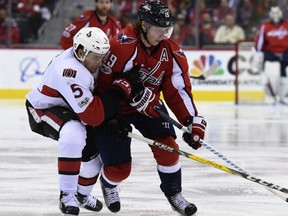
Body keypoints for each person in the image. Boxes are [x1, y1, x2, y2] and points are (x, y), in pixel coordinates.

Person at [94, 1, 207, 215]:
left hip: (148, 105)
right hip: (115, 110)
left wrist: (191, 121)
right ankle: (108, 184)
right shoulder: (121, 46)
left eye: (168, 28)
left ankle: (174, 193)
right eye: (160, 28)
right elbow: (102, 87)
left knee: (169, 150)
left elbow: (177, 91)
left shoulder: (172, 53)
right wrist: (109, 118)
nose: (165, 34)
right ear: (144, 25)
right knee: (120, 170)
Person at [25, 27, 141, 215]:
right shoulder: (70, 71)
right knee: (74, 133)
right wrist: (122, 88)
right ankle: (67, 196)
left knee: (94, 159)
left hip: (72, 109)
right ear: (80, 52)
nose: (101, 62)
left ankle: (81, 195)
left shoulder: (86, 59)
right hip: (42, 109)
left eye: (103, 56)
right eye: (96, 57)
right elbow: (92, 115)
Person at [254, 6, 288, 104]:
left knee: (284, 74)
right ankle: (270, 95)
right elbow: (260, 43)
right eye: (274, 13)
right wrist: (258, 52)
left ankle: (283, 96)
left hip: (286, 53)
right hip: (270, 54)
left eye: (277, 13)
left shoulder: (287, 25)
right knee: (266, 72)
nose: (276, 16)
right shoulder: (265, 26)